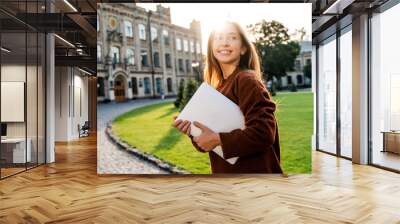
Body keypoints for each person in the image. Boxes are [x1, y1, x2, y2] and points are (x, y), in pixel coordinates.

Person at [173, 21, 282, 174]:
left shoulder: (246, 80)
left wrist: (217, 139)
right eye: (218, 38)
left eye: (232, 37)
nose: (224, 43)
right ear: (211, 48)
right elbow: (209, 143)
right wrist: (194, 132)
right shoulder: (218, 88)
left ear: (243, 48)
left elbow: (263, 133)